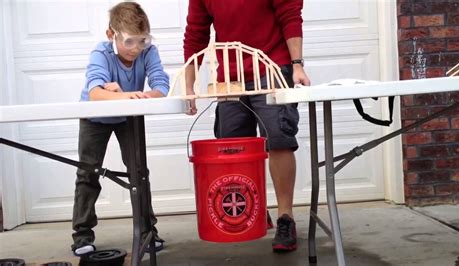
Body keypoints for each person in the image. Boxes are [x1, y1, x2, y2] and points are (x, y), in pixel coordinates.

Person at [183, 0, 310, 252]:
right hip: (232, 77)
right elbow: (195, 32)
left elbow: (290, 14)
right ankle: (255, 211)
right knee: (232, 146)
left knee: (279, 140)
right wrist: (189, 86)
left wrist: (297, 65)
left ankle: (286, 217)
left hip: (272, 68)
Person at [72, 2, 168, 256]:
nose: (136, 49)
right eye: (128, 41)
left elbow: (160, 85)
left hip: (128, 115)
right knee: (88, 173)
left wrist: (137, 95)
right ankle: (82, 236)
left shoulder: (149, 52)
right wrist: (118, 95)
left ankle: (149, 231)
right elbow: (95, 93)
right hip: (94, 118)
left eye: (142, 41)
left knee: (139, 172)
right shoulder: (100, 54)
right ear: (111, 35)